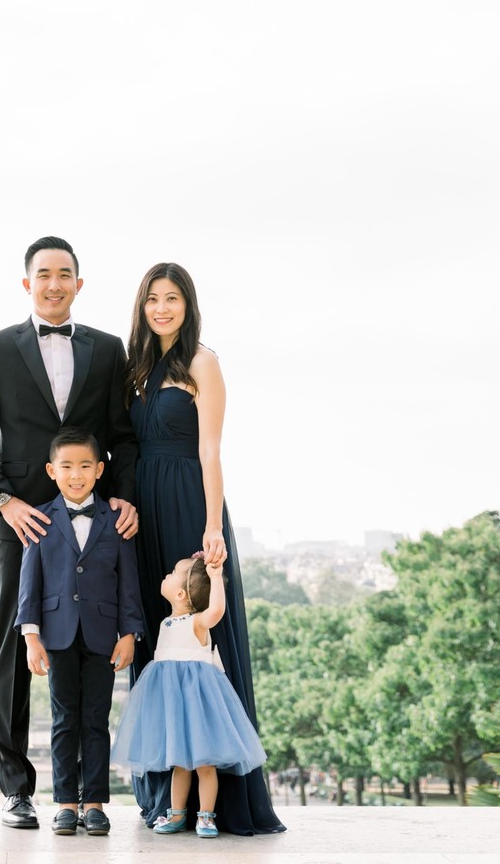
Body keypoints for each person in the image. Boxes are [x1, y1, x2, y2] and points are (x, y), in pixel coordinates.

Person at [0, 236, 139, 829]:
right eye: (44, 274)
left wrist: (122, 496)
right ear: (26, 283)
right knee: (16, 646)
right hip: (22, 521)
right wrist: (5, 501)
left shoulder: (108, 350)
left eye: (65, 274)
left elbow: (122, 437)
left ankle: (90, 794)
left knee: (96, 647)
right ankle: (16, 789)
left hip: (93, 524)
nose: (54, 284)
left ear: (78, 284)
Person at [126, 262, 283, 835]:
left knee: (202, 639)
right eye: (152, 298)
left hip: (190, 500)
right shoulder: (136, 365)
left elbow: (211, 449)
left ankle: (219, 802)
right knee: (158, 638)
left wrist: (212, 525)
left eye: (172, 298)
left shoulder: (202, 362)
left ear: (188, 305)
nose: (162, 308)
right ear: (141, 306)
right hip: (143, 506)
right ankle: (166, 796)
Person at [15, 429, 145, 836]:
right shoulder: (39, 518)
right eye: (67, 466)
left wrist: (129, 633)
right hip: (57, 636)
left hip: (103, 636)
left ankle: (95, 804)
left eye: (85, 466)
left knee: (96, 720)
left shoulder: (116, 520)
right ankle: (66, 804)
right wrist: (31, 637)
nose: (76, 474)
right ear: (51, 471)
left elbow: (128, 582)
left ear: (100, 470)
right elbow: (29, 585)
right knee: (63, 721)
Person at [112, 554, 266, 837]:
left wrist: (214, 576)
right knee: (180, 764)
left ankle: (206, 817)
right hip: (172, 706)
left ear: (181, 594)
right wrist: (199, 565)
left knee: (205, 765)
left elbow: (216, 610)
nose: (167, 575)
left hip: (198, 707)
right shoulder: (166, 623)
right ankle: (176, 814)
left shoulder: (197, 622)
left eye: (173, 573)